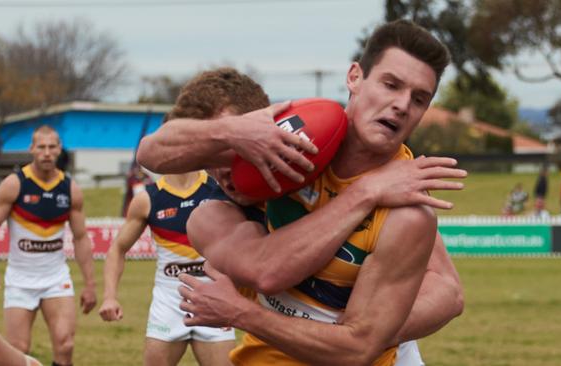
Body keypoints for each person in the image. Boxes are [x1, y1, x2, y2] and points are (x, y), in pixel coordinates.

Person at [139, 20, 464, 365]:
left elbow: (445, 293)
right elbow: (151, 153)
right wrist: (233, 132)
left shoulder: (402, 197)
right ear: (354, 77)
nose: (401, 105)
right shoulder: (280, 151)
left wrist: (377, 328)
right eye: (390, 85)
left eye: (418, 98)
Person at [98, 70, 271, 366]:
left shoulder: (222, 188)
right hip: (168, 303)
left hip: (215, 297)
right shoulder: (147, 199)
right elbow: (117, 248)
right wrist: (109, 296)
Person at [0, 125, 96, 366]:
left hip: (55, 278)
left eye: (52, 147)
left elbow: (81, 238)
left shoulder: (70, 188)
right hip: (20, 279)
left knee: (65, 344)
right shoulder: (15, 184)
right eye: (41, 147)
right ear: (31, 149)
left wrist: (90, 285)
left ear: (59, 149)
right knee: (17, 349)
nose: (46, 152)